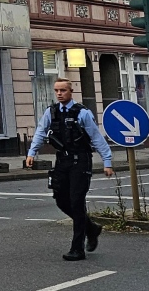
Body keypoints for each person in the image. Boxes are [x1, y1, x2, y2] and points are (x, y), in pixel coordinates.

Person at [26, 79, 114, 261]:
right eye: (57, 90)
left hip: (80, 161)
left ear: (71, 91)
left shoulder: (82, 113)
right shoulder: (51, 112)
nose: (59, 93)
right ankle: (91, 228)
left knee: (76, 202)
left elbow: (96, 137)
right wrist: (31, 153)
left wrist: (107, 162)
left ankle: (77, 249)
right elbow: (41, 132)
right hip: (62, 161)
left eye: (63, 90)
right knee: (60, 200)